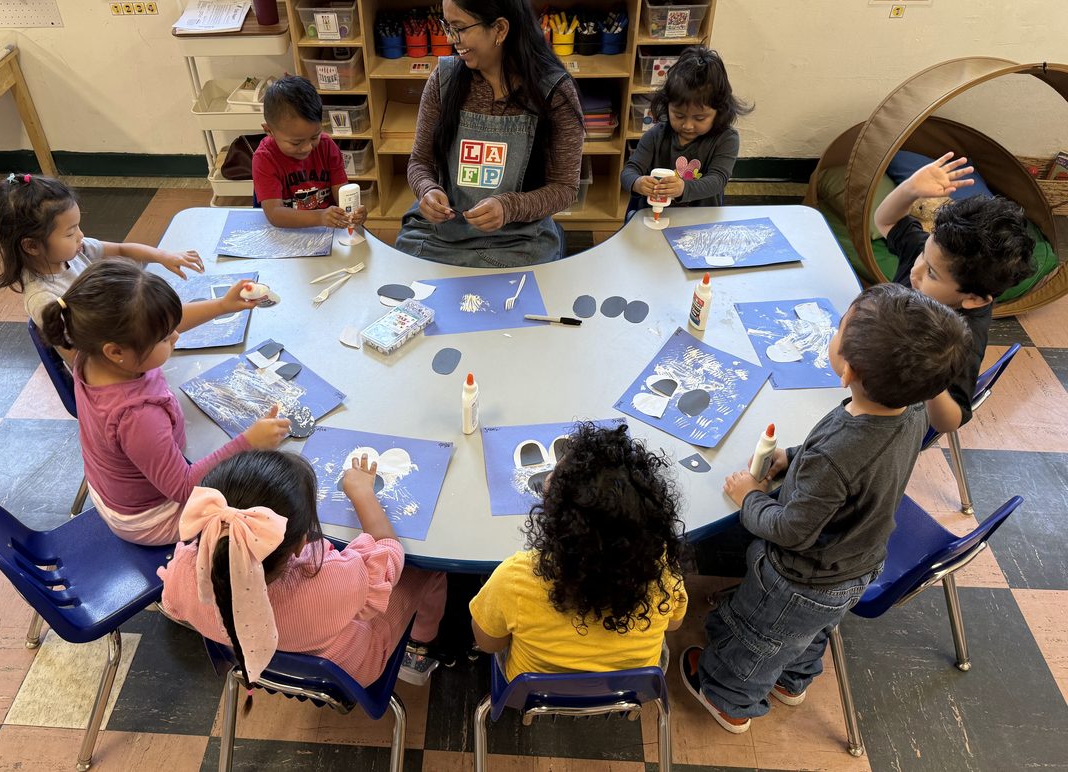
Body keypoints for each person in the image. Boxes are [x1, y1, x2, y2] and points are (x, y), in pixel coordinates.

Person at [679, 283, 974, 733]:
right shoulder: (913, 409)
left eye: (838, 329)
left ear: (846, 370)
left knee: (758, 639)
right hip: (857, 564)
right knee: (810, 632)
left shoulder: (837, 453)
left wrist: (749, 499)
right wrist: (793, 456)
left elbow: (790, 530)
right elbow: (842, 463)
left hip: (799, 578)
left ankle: (729, 699)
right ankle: (794, 683)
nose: (833, 333)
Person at [41, 259, 291, 546]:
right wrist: (249, 442)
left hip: (116, 489)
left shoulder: (92, 352)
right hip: (152, 519)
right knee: (268, 501)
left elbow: (158, 325)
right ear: (116, 352)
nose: (175, 336)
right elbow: (184, 488)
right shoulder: (137, 416)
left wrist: (222, 305)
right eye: (164, 337)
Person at [159, 450, 448, 687]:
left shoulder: (184, 570)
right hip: (349, 668)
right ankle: (418, 648)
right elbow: (388, 555)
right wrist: (363, 494)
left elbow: (174, 605)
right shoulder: (329, 581)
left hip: (253, 658)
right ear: (300, 543)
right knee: (423, 568)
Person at [394, 0, 585, 268]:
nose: (450, 40)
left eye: (459, 29)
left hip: (519, 237)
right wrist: (427, 190)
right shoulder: (443, 81)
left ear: (499, 29)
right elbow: (420, 162)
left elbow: (564, 188)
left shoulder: (553, 92)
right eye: (447, 26)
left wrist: (508, 207)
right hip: (444, 233)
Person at [469, 422, 688, 679]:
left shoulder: (514, 578)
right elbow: (674, 624)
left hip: (537, 692)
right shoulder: (662, 571)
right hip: (630, 686)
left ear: (559, 522)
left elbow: (488, 643)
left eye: (559, 474)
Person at [0, 174, 253, 362]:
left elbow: (121, 249)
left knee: (159, 313)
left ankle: (220, 307)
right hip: (114, 369)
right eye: (71, 232)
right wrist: (146, 352)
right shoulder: (44, 299)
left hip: (124, 344)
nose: (81, 236)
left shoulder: (75, 250)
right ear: (31, 246)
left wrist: (163, 255)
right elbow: (81, 361)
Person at [873, 153, 1034, 432]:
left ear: (972, 299)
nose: (916, 271)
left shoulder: (963, 337)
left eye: (932, 274)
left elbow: (950, 420)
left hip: (893, 416)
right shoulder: (935, 257)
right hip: (870, 360)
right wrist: (911, 188)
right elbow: (885, 221)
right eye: (923, 254)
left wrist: (929, 376)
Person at [622, 46, 750, 219]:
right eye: (679, 115)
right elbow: (630, 170)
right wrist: (637, 183)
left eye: (699, 118)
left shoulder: (726, 139)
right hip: (653, 216)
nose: (688, 126)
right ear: (667, 106)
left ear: (719, 111)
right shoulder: (656, 135)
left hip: (699, 218)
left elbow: (718, 180)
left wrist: (684, 188)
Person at [252, 76, 365, 230]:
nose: (307, 148)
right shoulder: (265, 158)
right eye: (296, 142)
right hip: (287, 231)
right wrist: (320, 216)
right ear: (269, 131)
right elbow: (274, 214)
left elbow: (341, 192)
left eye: (314, 136)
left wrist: (353, 210)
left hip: (327, 228)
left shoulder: (326, 146)